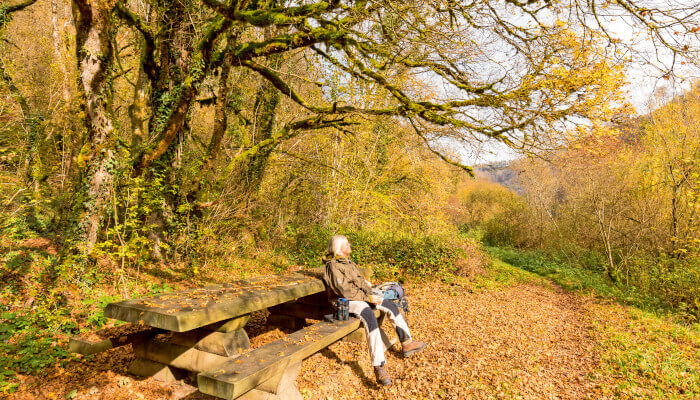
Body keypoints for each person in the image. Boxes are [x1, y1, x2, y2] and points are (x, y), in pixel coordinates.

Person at [322, 235, 426, 386]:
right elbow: (344, 291)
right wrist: (368, 299)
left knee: (390, 305)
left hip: (360, 297)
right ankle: (379, 366)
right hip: (344, 302)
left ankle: (407, 343)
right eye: (347, 243)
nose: (349, 245)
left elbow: (360, 283)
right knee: (368, 314)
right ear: (339, 248)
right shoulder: (333, 266)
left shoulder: (348, 262)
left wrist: (372, 294)